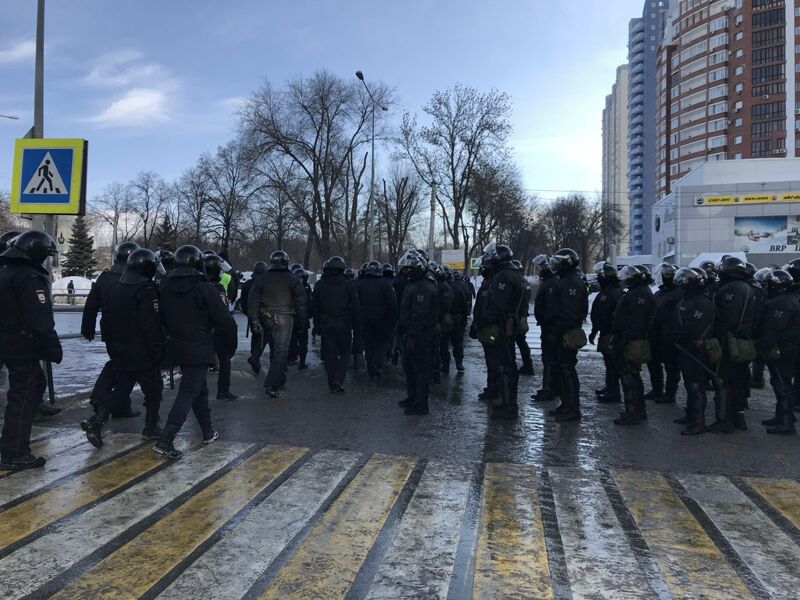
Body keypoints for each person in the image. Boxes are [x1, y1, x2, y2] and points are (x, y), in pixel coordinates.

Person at [156, 245, 237, 459]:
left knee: (199, 389)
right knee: (188, 392)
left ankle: (208, 431)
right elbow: (224, 320)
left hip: (177, 345)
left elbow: (161, 317)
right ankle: (166, 440)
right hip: (200, 345)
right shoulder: (204, 288)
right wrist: (229, 346)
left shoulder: (165, 286)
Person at [80, 249, 166, 447]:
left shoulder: (117, 287)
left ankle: (97, 420)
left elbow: (106, 320)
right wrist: (158, 348)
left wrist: (114, 344)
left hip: (121, 348)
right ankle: (151, 426)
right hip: (143, 350)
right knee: (153, 390)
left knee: (121, 389)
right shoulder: (145, 288)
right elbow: (150, 324)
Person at [0, 231, 62, 470]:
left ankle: (10, 443)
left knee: (34, 385)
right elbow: (40, 319)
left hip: (7, 342)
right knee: (24, 394)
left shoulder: (5, 272)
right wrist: (53, 348)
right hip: (22, 345)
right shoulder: (29, 277)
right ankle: (14, 452)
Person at [82, 241, 141, 419]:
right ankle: (104, 398)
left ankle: (117, 405)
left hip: (108, 328)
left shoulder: (105, 277)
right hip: (130, 330)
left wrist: (88, 326)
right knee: (125, 367)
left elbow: (91, 303)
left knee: (117, 362)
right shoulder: (132, 277)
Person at [247, 250, 306, 398]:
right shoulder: (292, 279)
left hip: (266, 317)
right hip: (285, 317)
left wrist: (255, 320)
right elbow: (301, 304)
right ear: (286, 262)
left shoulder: (262, 279)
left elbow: (252, 301)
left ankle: (279, 379)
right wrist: (302, 322)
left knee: (276, 350)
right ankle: (272, 384)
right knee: (280, 351)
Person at [478, 243, 527, 420]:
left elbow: (498, 305)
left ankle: (509, 406)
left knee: (504, 366)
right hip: (507, 325)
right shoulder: (513, 274)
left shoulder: (503, 276)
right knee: (507, 365)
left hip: (501, 326)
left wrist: (484, 320)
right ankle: (507, 402)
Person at [711, 256, 758, 433]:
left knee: (723, 380)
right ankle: (739, 418)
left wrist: (716, 335)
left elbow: (727, 318)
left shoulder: (731, 289)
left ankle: (724, 419)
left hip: (729, 341)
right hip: (744, 340)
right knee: (738, 380)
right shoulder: (750, 288)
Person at [545, 248, 589, 422]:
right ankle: (566, 405)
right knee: (562, 370)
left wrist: (556, 331)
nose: (555, 264)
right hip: (563, 331)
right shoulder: (566, 280)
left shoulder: (571, 282)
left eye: (558, 261)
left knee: (567, 370)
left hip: (567, 333)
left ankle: (572, 409)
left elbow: (568, 313)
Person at [671, 268, 715, 435]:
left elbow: (695, 328)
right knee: (690, 384)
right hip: (685, 348)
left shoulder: (701, 302)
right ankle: (691, 415)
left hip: (696, 349)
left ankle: (698, 421)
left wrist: (680, 337)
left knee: (697, 385)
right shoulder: (688, 299)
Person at [757, 269, 800, 434]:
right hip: (788, 349)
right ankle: (781, 416)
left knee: (782, 385)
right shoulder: (790, 299)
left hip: (783, 350)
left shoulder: (781, 303)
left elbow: (773, 329)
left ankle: (787, 422)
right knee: (780, 383)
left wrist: (763, 347)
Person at [611, 265, 655, 426]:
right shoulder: (639, 292)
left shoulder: (639, 294)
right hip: (631, 338)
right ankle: (636, 410)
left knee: (629, 376)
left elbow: (636, 321)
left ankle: (633, 411)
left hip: (632, 340)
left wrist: (624, 339)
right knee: (632, 375)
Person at [398, 252, 438, 415]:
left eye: (410, 269)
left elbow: (420, 315)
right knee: (410, 368)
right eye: (405, 269)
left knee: (420, 370)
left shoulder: (424, 286)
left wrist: (413, 336)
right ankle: (413, 397)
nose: (407, 273)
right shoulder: (415, 284)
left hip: (421, 335)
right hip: (412, 333)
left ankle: (421, 404)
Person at [313, 256, 360, 393]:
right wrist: (356, 324)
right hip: (343, 323)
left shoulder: (320, 285)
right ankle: (338, 380)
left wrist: (316, 325)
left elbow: (314, 306)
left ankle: (332, 380)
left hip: (326, 322)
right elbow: (355, 307)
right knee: (345, 352)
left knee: (330, 353)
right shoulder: (348, 285)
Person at [647, 263, 683, 404]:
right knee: (653, 363)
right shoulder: (659, 293)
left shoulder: (679, 293)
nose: (665, 277)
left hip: (669, 334)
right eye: (664, 275)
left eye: (669, 275)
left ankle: (670, 393)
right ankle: (657, 389)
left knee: (671, 365)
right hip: (655, 333)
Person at [589, 261, 623, 403]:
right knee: (609, 362)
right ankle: (610, 388)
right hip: (606, 332)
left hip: (610, 333)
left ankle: (613, 392)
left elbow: (611, 314)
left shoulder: (613, 293)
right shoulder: (610, 292)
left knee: (612, 363)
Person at [205, 254, 238, 401]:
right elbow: (222, 312)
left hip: (202, 330)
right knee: (224, 360)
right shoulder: (216, 288)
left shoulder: (198, 286)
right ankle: (223, 390)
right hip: (216, 329)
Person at [358, 260, 398, 379]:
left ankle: (371, 368)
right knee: (384, 342)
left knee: (369, 344)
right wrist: (393, 318)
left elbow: (357, 303)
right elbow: (392, 303)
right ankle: (376, 363)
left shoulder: (361, 284)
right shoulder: (385, 283)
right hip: (382, 320)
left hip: (365, 319)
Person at [531, 254, 560, 402]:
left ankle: (549, 388)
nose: (539, 271)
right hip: (547, 326)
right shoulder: (549, 282)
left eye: (540, 267)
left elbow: (551, 307)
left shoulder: (551, 283)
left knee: (549, 358)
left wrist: (548, 322)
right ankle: (549, 387)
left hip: (550, 327)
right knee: (548, 358)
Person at [471, 258, 497, 401]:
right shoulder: (487, 283)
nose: (482, 270)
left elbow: (489, 309)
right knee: (490, 359)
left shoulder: (493, 284)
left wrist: (480, 323)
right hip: (485, 327)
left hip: (490, 329)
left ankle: (494, 389)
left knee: (494, 359)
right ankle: (491, 387)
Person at [241, 261, 268, 373]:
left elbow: (243, 303)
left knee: (256, 336)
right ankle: (255, 358)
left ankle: (254, 357)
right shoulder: (266, 284)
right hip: (264, 315)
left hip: (252, 315)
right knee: (265, 337)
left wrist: (249, 314)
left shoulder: (247, 284)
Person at [511, 259, 535, 376]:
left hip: (517, 317)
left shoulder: (517, 283)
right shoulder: (524, 282)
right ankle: (527, 364)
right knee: (521, 342)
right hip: (522, 317)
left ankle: (524, 365)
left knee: (514, 342)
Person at [429, 262, 452, 382]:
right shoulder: (438, 285)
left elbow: (444, 305)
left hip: (441, 321)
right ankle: (438, 369)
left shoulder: (443, 286)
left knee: (440, 346)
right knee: (438, 347)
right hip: (437, 320)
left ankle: (441, 369)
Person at [288, 263, 312, 370]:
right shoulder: (306, 289)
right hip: (302, 318)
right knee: (302, 341)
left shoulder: (290, 289)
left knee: (292, 340)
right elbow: (311, 303)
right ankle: (301, 361)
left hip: (293, 318)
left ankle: (292, 358)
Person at [447, 266, 471, 373]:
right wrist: (464, 318)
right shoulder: (458, 288)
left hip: (445, 320)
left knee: (444, 343)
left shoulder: (438, 287)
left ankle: (445, 366)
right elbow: (464, 304)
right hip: (456, 320)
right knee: (457, 343)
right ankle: (459, 363)